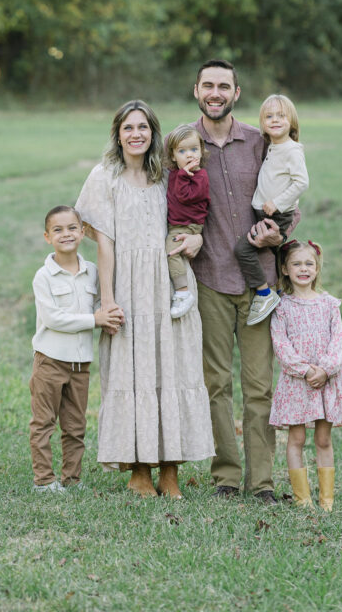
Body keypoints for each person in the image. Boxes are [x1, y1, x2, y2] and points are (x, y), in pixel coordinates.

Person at [75, 100, 214, 499]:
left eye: (144, 127)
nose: (136, 134)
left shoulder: (166, 174)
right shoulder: (105, 177)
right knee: (131, 371)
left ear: (154, 133)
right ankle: (138, 469)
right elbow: (104, 246)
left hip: (170, 282)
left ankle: (170, 469)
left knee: (174, 369)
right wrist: (108, 300)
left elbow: (194, 216)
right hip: (128, 285)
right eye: (128, 128)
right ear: (117, 134)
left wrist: (197, 237)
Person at [173, 59, 297, 505]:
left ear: (237, 93)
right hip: (208, 279)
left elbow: (289, 194)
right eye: (208, 84)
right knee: (216, 384)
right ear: (196, 90)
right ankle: (226, 475)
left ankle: (261, 483)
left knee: (260, 387)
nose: (216, 92)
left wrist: (279, 232)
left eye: (224, 85)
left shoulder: (259, 142)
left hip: (259, 280)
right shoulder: (184, 143)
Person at [29, 205, 125, 493]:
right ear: (47, 237)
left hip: (80, 364)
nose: (66, 234)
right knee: (43, 423)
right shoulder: (44, 277)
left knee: (75, 426)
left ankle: (72, 479)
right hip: (50, 361)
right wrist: (94, 320)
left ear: (83, 232)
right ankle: (44, 481)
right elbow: (53, 319)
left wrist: (106, 315)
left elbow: (98, 304)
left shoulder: (92, 272)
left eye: (72, 228)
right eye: (57, 230)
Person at [269, 240, 342, 510]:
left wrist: (325, 370)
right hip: (299, 382)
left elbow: (338, 342)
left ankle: (327, 500)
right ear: (285, 269)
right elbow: (281, 345)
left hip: (326, 382)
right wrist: (306, 370)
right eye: (296, 264)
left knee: (323, 439)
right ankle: (302, 499)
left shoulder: (330, 304)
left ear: (317, 269)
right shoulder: (282, 307)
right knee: (296, 439)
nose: (303, 269)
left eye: (309, 264)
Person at [233, 94, 309, 326]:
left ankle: (265, 294)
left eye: (281, 116)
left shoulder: (292, 150)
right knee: (273, 254)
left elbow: (301, 182)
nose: (275, 120)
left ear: (292, 121)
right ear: (262, 123)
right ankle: (286, 289)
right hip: (264, 211)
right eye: (269, 116)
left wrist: (276, 202)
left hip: (275, 213)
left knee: (244, 250)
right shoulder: (273, 147)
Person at [164, 124, 211, 320]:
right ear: (173, 156)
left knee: (171, 252)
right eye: (182, 151)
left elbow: (184, 196)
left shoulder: (200, 176)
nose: (189, 155)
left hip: (188, 225)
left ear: (201, 151)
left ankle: (183, 292)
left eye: (194, 149)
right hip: (178, 222)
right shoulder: (177, 172)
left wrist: (184, 175)